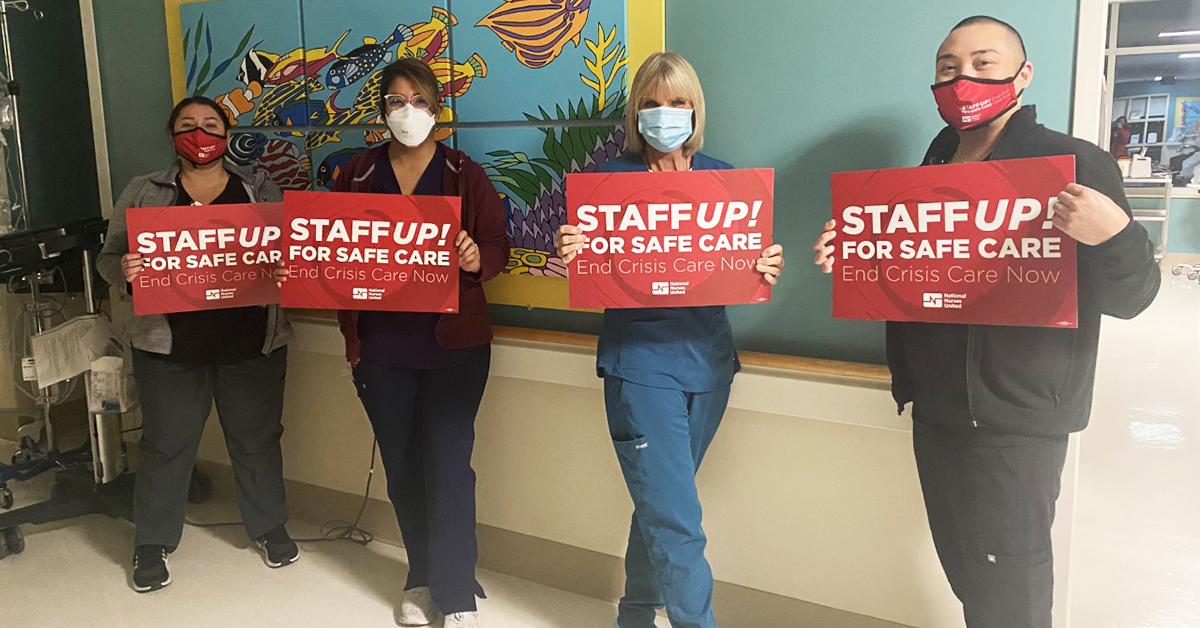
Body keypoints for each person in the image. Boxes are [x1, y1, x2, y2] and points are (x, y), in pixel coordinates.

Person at [813, 17, 1159, 628]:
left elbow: (1135, 296)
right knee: (968, 574)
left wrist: (1118, 237)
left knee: (1010, 592)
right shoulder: (924, 174)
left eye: (983, 63)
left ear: (1022, 75)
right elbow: (912, 279)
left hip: (1016, 417)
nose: (964, 79)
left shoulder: (1077, 164)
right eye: (948, 68)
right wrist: (858, 252)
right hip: (937, 409)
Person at [555, 52, 785, 628]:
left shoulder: (726, 179)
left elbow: (735, 266)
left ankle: (633, 616)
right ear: (635, 112)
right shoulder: (607, 186)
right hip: (640, 367)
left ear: (695, 109)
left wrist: (763, 264)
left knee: (660, 508)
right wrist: (572, 253)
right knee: (677, 519)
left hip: (709, 365)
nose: (665, 114)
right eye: (652, 104)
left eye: (677, 102)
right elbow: (590, 264)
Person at [309, 58, 507, 628]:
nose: (408, 112)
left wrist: (477, 259)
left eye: (419, 100)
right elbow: (329, 252)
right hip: (382, 350)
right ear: (381, 110)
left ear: (437, 108)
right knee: (403, 468)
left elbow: (497, 245)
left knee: (448, 466)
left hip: (454, 350)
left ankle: (457, 593)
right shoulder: (357, 174)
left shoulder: (464, 173)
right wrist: (298, 264)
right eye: (396, 101)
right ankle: (421, 578)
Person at [97, 96, 297, 593]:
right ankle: (152, 541)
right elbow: (108, 259)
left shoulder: (260, 187)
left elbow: (290, 253)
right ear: (172, 137)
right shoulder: (143, 192)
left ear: (227, 134)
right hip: (170, 347)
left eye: (210, 124)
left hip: (251, 341)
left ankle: (269, 527)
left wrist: (285, 269)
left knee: (257, 440)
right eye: (188, 125)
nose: (200, 133)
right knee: (166, 445)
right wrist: (124, 272)